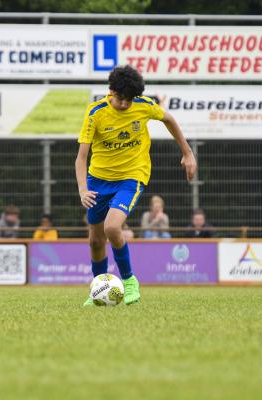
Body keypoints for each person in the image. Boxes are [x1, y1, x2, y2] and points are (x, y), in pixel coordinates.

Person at [75, 64, 196, 306]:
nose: (124, 104)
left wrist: (188, 153)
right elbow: (81, 157)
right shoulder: (95, 113)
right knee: (96, 240)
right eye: (120, 99)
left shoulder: (143, 105)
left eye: (129, 100)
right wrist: (82, 189)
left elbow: (169, 119)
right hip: (97, 180)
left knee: (112, 228)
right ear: (111, 91)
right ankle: (99, 288)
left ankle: (130, 281)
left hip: (131, 176)